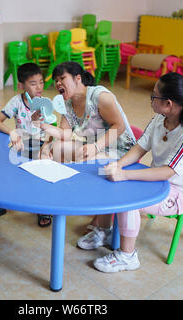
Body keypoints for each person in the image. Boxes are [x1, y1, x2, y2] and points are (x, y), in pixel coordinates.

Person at [76, 72, 183, 273]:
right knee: (109, 177)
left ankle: (127, 256)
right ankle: (105, 231)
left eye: (154, 96)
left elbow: (168, 172)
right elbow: (139, 148)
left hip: (179, 191)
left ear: (169, 103)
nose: (151, 99)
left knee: (129, 198)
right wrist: (118, 166)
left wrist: (126, 175)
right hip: (157, 180)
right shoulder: (159, 119)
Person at [38, 61, 136, 232]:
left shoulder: (100, 96)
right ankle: (57, 199)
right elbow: (65, 134)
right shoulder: (66, 104)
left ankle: (100, 216)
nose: (58, 83)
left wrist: (96, 147)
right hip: (95, 148)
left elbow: (118, 127)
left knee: (89, 162)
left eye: (62, 78)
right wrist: (45, 132)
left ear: (78, 78)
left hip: (120, 151)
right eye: (55, 81)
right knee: (55, 149)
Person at [0, 62, 54, 227]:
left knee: (42, 173)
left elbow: (51, 132)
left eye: (41, 82)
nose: (39, 87)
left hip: (39, 146)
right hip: (21, 145)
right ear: (21, 85)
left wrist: (46, 146)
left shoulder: (45, 104)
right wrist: (11, 133)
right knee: (4, 170)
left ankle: (44, 208)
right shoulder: (16, 102)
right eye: (33, 84)